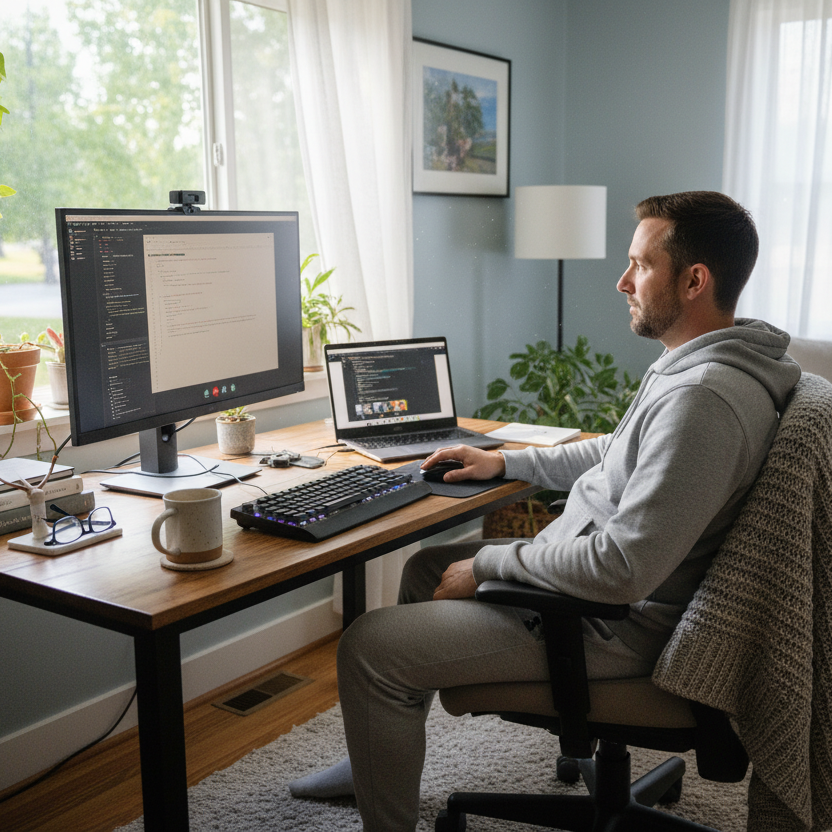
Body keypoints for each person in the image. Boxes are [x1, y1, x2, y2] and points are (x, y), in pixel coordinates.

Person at [288, 191, 802, 832]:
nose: (623, 282)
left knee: (369, 647)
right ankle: (373, 755)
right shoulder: (704, 365)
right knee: (425, 569)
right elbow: (616, 452)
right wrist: (505, 462)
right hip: (602, 595)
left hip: (614, 627)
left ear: (694, 280)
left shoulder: (704, 399)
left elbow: (623, 569)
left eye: (641, 265)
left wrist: (491, 563)